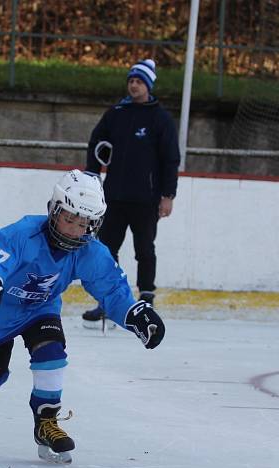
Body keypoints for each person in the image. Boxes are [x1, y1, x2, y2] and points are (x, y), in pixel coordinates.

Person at [0, 169, 166, 463]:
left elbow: (112, 290)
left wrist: (136, 314)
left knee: (52, 352)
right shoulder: (21, 234)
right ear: (54, 210)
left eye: (83, 223)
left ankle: (46, 422)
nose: (74, 230)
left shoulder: (91, 252)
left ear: (93, 224)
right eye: (68, 219)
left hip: (40, 311)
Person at [82, 58, 180, 327]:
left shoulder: (160, 118)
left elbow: (171, 158)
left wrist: (167, 195)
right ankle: (106, 300)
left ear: (148, 85)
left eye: (139, 81)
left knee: (144, 249)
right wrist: (92, 176)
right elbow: (95, 143)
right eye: (131, 81)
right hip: (114, 196)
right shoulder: (116, 113)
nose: (134, 85)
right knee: (105, 250)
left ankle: (146, 298)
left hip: (146, 199)